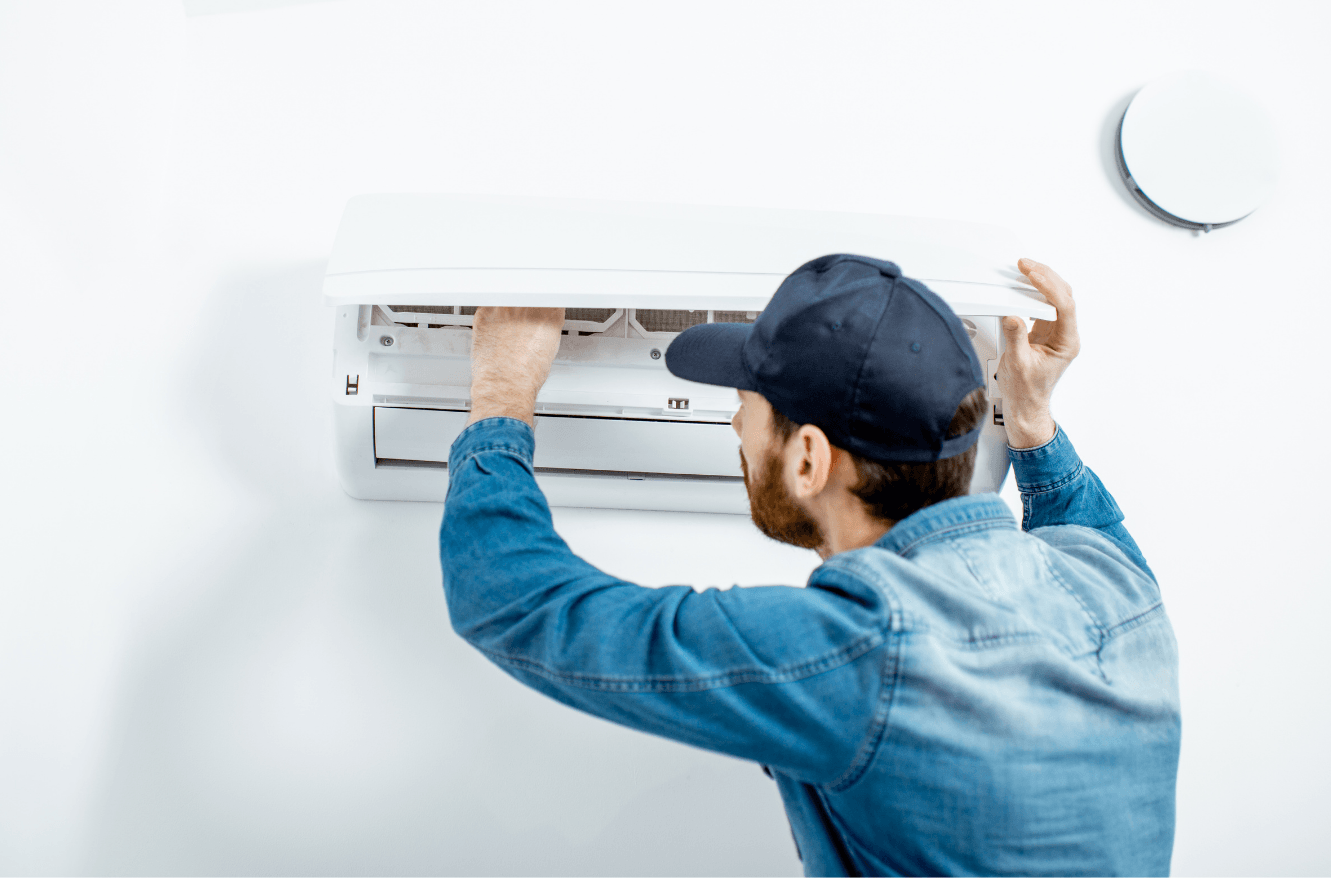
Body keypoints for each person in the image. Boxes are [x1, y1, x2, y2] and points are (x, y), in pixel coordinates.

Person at [439, 254, 1180, 876]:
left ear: (808, 459)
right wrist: (1033, 423)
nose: (735, 425)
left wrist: (502, 393)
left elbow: (518, 605)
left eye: (747, 409)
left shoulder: (857, 655)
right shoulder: (1113, 583)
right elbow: (1089, 525)